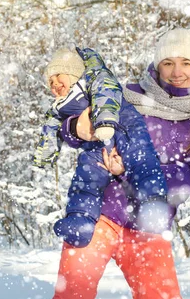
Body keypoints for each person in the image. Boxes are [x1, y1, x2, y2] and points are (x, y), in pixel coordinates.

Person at [53, 29, 190, 299]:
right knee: (72, 294)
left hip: (149, 223)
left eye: (186, 63)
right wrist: (76, 127)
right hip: (99, 214)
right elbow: (73, 130)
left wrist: (130, 171)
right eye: (168, 63)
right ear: (158, 66)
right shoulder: (129, 96)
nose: (177, 71)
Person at [33, 47, 169, 248]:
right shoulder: (59, 105)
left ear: (73, 73)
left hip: (124, 125)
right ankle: (80, 222)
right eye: (50, 82)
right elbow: (52, 127)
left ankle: (153, 204)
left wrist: (104, 121)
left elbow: (106, 92)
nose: (55, 85)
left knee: (141, 159)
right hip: (96, 145)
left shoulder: (93, 79)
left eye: (58, 76)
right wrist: (45, 153)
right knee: (86, 178)